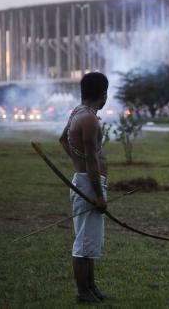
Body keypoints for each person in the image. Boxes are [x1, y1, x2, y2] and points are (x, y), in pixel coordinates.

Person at [59, 72, 109, 303]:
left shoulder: (77, 113)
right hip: (90, 184)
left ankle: (91, 288)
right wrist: (98, 195)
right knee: (84, 242)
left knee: (90, 239)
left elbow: (62, 139)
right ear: (103, 93)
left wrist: (76, 164)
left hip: (86, 180)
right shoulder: (89, 119)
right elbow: (91, 159)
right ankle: (83, 292)